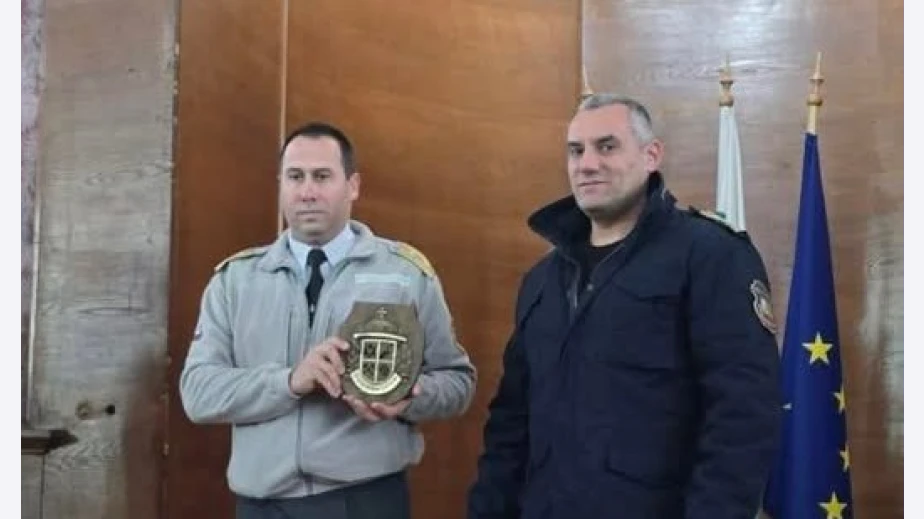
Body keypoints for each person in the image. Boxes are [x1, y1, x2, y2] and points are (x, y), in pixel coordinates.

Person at [466, 94, 781, 518]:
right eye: (576, 151)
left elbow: (742, 417)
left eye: (607, 146)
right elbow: (510, 425)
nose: (587, 164)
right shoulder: (542, 280)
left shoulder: (710, 256)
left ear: (652, 156)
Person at [179, 121, 477, 519]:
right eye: (295, 177)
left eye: (322, 177)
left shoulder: (405, 274)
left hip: (365, 500)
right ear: (280, 185)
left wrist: (410, 397)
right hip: (262, 505)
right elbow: (198, 394)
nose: (307, 192)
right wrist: (289, 381)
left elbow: (457, 382)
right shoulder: (235, 280)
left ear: (353, 185)